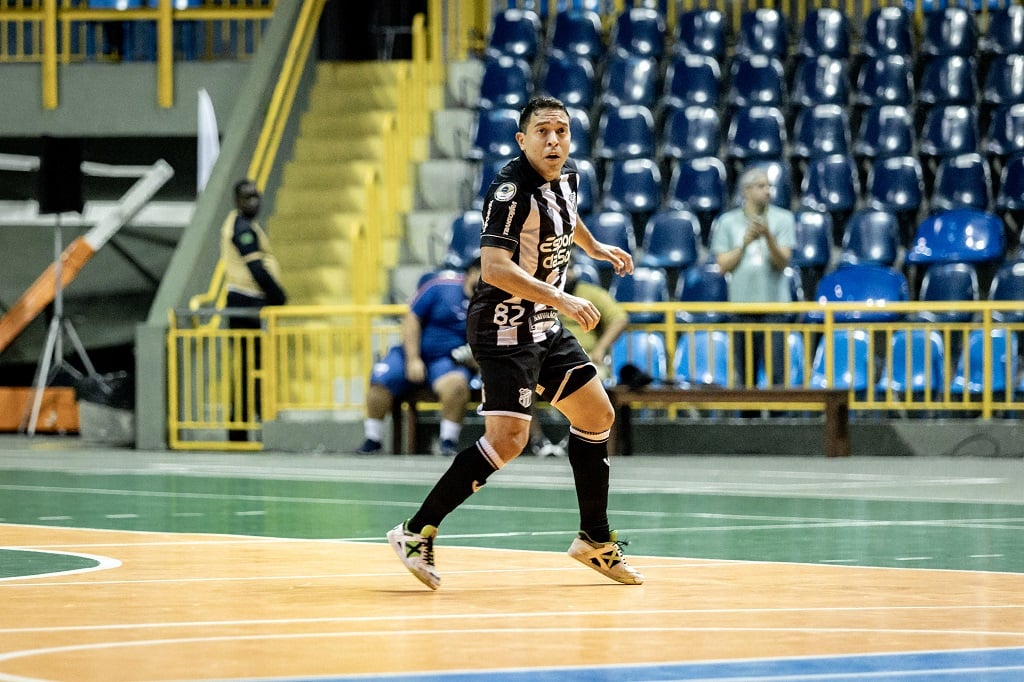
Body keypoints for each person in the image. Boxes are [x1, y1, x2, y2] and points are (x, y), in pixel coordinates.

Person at [386, 95, 644, 590]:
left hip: (544, 324)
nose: (553, 140)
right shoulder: (509, 192)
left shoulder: (566, 176)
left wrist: (593, 247)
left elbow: (567, 215)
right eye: (543, 131)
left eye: (562, 131)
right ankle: (416, 531)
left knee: (597, 415)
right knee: (508, 441)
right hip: (503, 327)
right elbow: (494, 268)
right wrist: (562, 297)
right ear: (522, 139)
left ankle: (593, 539)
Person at [355, 259, 482, 457]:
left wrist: (475, 359)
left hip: (446, 362)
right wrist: (413, 359)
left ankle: (447, 442)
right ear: (472, 272)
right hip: (411, 354)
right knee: (380, 379)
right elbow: (411, 319)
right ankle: (373, 439)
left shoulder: (492, 304)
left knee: (457, 386)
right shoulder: (439, 287)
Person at [528, 263, 629, 457]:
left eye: (569, 267)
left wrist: (600, 349)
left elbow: (619, 318)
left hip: (585, 357)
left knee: (593, 379)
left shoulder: (590, 292)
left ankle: (573, 441)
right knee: (521, 380)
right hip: (545, 359)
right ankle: (537, 440)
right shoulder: (539, 292)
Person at [709, 167, 795, 389]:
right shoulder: (727, 222)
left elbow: (783, 262)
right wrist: (744, 244)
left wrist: (768, 237)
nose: (768, 191)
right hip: (741, 309)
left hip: (774, 309)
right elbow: (722, 266)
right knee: (745, 376)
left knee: (778, 373)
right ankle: (748, 419)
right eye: (761, 186)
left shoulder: (783, 218)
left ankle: (779, 419)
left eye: (769, 186)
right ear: (746, 191)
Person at [220, 179, 287, 441]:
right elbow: (257, 270)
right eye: (248, 197)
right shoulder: (242, 228)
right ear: (237, 201)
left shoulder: (248, 225)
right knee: (249, 367)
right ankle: (239, 429)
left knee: (253, 367)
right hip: (245, 304)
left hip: (249, 302)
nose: (254, 202)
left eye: (256, 196)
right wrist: (278, 296)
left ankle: (246, 425)